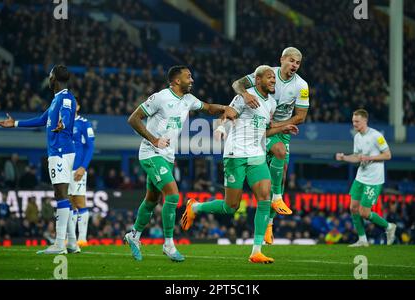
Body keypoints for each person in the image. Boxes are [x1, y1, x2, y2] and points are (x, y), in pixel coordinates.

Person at [181, 66, 298, 263]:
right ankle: (195, 208)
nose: (273, 81)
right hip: (235, 155)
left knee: (264, 198)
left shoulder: (271, 103)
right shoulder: (245, 97)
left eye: (274, 79)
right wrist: (220, 128)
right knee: (231, 206)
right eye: (269, 77)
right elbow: (227, 114)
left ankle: (256, 251)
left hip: (256, 156)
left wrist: (283, 127)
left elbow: (263, 130)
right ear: (258, 80)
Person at [124, 65, 234, 262]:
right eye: (188, 76)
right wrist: (154, 139)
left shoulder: (188, 100)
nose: (192, 80)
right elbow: (133, 119)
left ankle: (133, 235)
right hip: (151, 153)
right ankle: (168, 244)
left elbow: (208, 108)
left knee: (151, 200)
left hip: (167, 156)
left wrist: (226, 108)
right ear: (176, 80)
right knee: (173, 195)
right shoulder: (160, 97)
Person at [0, 65, 78, 254]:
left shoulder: (65, 98)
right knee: (64, 195)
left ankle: (59, 244)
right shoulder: (57, 99)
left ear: (54, 78)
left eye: (50, 76)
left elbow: (65, 114)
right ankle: (72, 244)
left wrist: (63, 122)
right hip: (64, 151)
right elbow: (42, 120)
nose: (48, 79)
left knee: (61, 194)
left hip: (60, 152)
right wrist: (15, 123)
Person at [232, 47, 309, 244]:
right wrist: (245, 95)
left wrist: (279, 125)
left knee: (280, 174)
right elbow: (237, 84)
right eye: (291, 61)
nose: (294, 66)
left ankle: (269, 225)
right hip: (260, 128)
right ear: (282, 59)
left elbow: (301, 116)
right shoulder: (267, 74)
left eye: (298, 63)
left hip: (280, 129)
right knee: (279, 154)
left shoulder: (302, 85)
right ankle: (277, 197)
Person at [335, 109, 396, 247]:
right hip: (361, 177)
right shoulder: (357, 137)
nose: (354, 124)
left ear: (365, 120)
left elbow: (388, 155)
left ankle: (389, 227)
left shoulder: (376, 136)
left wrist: (370, 158)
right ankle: (362, 240)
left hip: (374, 180)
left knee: (364, 212)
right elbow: (357, 157)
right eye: (353, 121)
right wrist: (344, 157)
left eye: (357, 121)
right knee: (353, 208)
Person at [67, 102, 95, 248]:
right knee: (68, 202)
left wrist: (83, 167)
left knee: (79, 201)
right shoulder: (63, 122)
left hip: (77, 169)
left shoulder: (84, 123)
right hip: (64, 168)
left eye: (75, 104)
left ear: (78, 107)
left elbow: (90, 147)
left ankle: (82, 238)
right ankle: (71, 238)